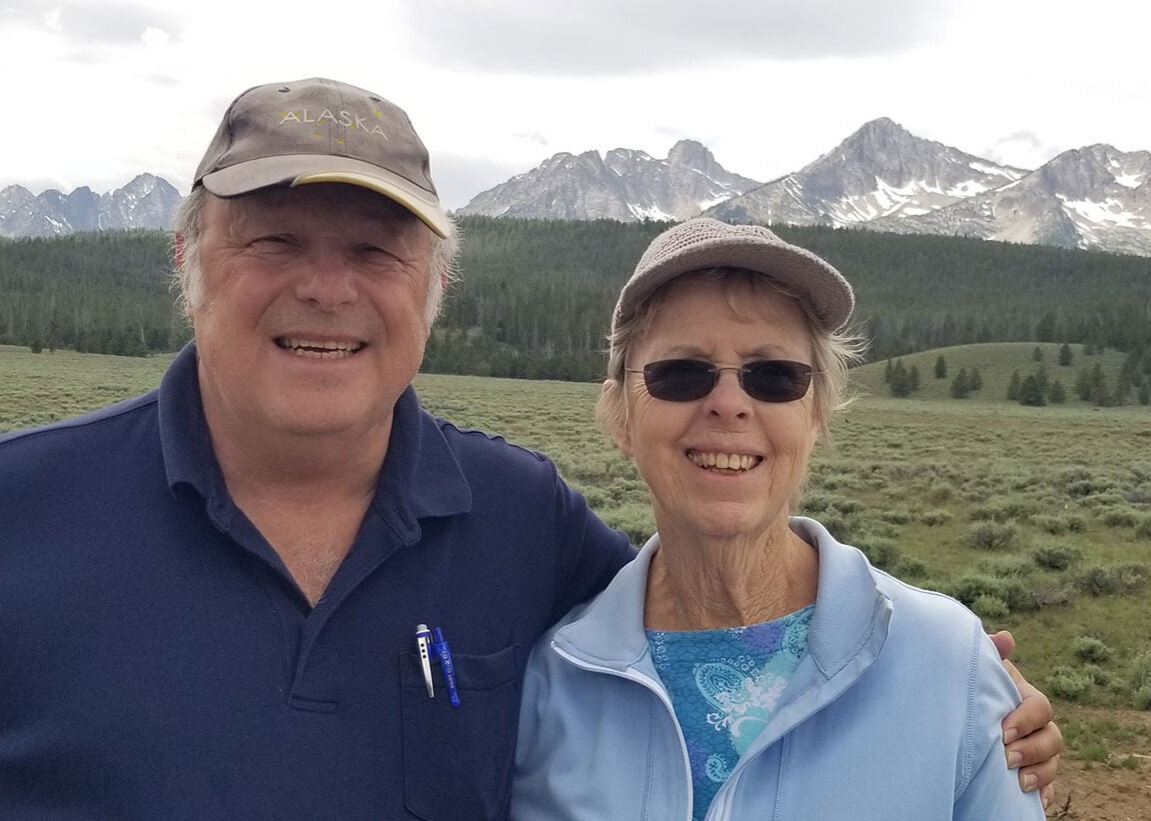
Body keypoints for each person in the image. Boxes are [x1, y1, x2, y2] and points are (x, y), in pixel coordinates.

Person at [0, 78, 1058, 819]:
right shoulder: (22, 511)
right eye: (275, 238)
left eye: (376, 248)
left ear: (434, 286)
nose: (327, 287)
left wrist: (962, 694)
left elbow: (716, 609)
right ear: (188, 257)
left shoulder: (519, 520)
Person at [512, 219, 1047, 820]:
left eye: (774, 376)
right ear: (620, 416)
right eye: (681, 372)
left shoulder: (949, 664)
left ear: (816, 412)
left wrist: (977, 692)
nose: (729, 404)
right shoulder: (552, 681)